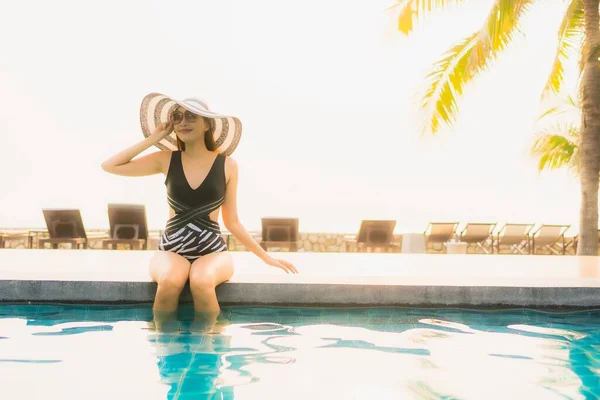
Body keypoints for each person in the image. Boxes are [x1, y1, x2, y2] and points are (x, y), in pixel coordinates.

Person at [102, 93, 298, 315]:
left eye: (192, 116)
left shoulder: (228, 165)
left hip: (212, 251)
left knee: (202, 282)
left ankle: (213, 346)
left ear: (207, 124)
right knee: (169, 281)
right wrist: (154, 139)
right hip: (171, 250)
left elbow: (232, 221)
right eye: (178, 116)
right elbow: (110, 166)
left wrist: (267, 258)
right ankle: (164, 346)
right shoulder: (166, 159)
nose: (184, 121)